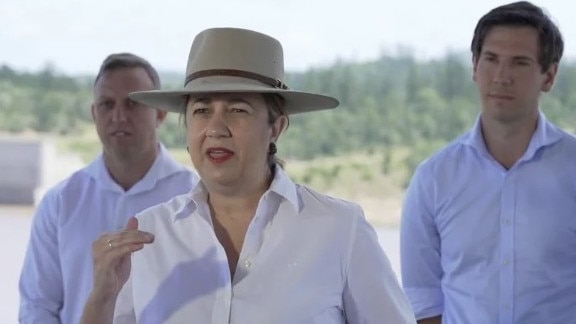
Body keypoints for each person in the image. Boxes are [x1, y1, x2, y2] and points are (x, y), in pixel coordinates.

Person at [79, 27, 417, 324]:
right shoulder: (148, 234)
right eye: (201, 110)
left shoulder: (339, 229)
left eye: (238, 109)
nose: (216, 128)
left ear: (276, 127)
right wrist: (102, 297)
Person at [400, 1, 576, 323]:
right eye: (491, 59)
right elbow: (422, 298)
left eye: (520, 63)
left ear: (549, 77)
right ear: (474, 67)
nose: (501, 76)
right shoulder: (434, 178)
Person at [19, 53, 199, 324]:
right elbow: (38, 307)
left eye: (132, 104)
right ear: (94, 113)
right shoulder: (59, 203)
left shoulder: (196, 199)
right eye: (106, 104)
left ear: (160, 113)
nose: (118, 116)